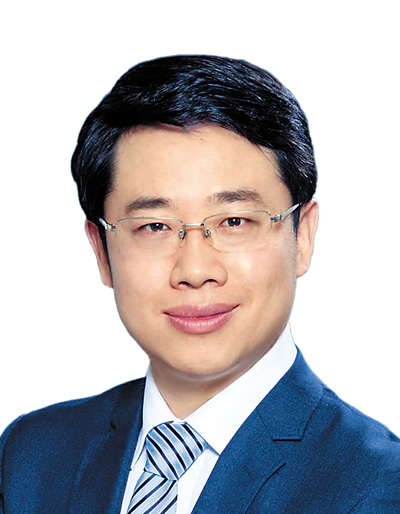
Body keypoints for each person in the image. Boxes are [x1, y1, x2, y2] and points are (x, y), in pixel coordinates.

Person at [0, 55, 399, 514]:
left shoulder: (379, 485)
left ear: (302, 236)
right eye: (154, 226)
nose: (194, 270)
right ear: (101, 251)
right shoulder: (30, 455)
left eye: (234, 221)